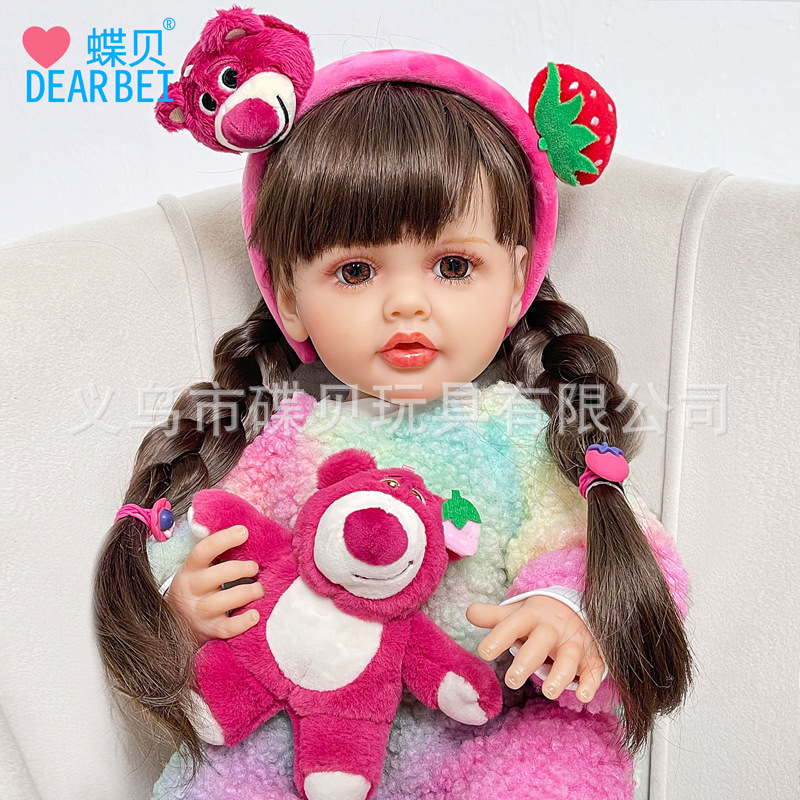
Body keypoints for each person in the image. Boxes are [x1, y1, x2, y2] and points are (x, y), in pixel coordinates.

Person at [93, 27, 693, 800]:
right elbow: (205, 535)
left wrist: (566, 605)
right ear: (290, 299)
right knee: (224, 775)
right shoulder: (289, 436)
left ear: (516, 282)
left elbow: (615, 550)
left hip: (491, 727)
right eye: (355, 271)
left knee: (558, 769)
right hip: (311, 728)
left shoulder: (522, 437)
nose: (407, 303)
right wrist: (185, 604)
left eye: (453, 265)